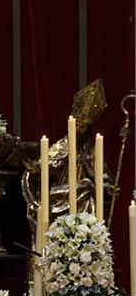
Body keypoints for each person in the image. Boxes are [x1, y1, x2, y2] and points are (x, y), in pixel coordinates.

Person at [22, 79, 114, 234]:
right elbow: (49, 166)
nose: (78, 129)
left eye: (82, 126)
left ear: (88, 128)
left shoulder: (91, 150)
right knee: (84, 188)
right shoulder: (61, 146)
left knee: (86, 188)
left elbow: (101, 174)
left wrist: (107, 187)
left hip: (83, 196)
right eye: (76, 124)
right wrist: (38, 171)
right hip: (59, 193)